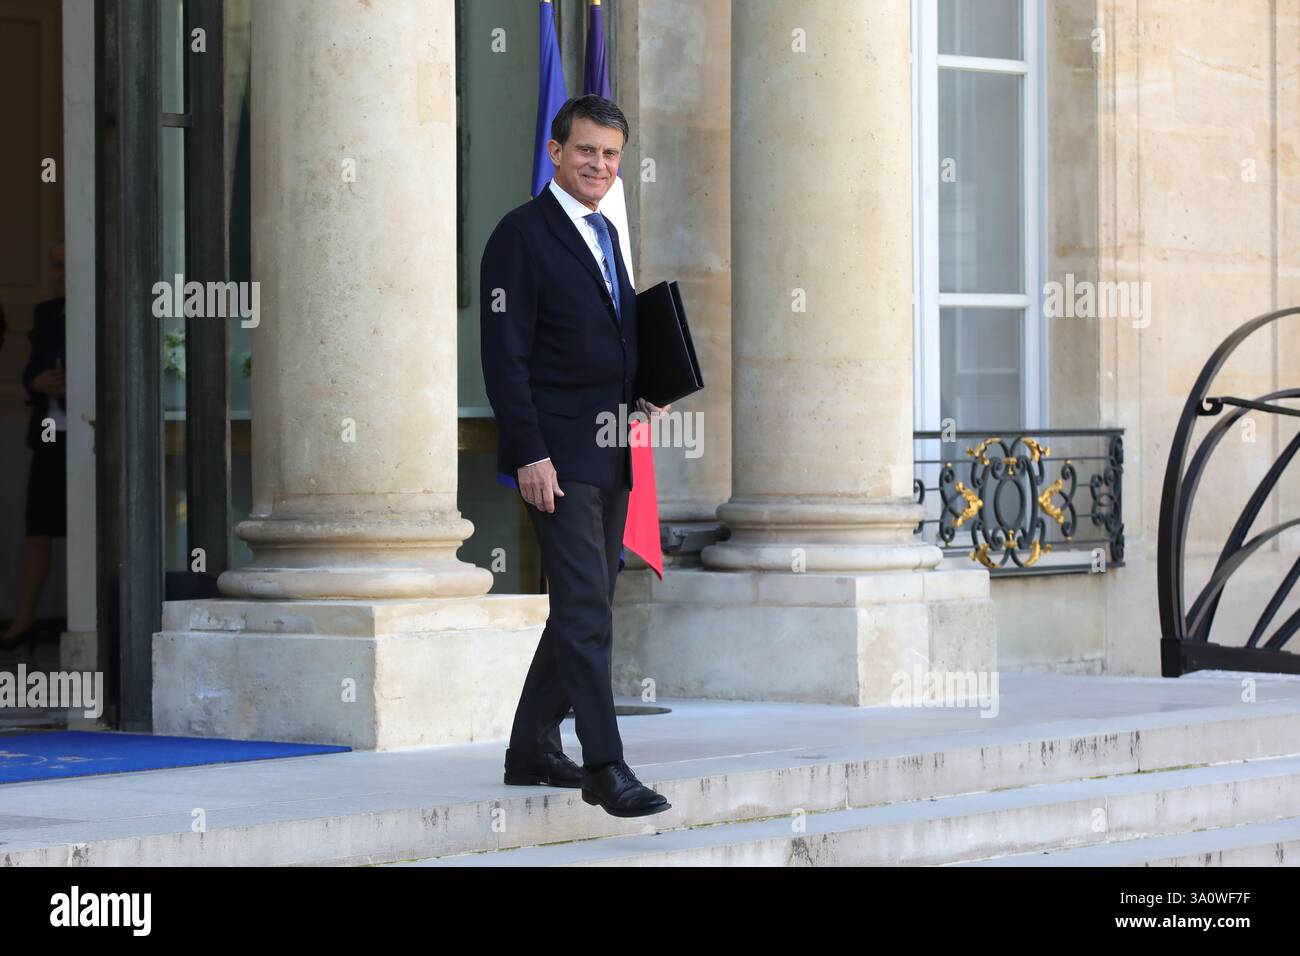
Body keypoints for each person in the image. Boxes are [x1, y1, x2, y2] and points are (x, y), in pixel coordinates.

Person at [480, 95, 671, 818]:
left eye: (611, 154)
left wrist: (648, 387)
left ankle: (530, 748)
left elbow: (614, 335)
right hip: (555, 456)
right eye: (586, 150)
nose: (599, 164)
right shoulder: (519, 236)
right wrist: (528, 451)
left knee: (585, 605)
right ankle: (605, 765)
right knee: (587, 607)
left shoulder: (605, 235)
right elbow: (504, 357)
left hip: (610, 445)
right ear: (556, 153)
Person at [3, 241, 67, 654]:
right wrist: (37, 383)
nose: (57, 274)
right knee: (38, 528)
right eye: (53, 264)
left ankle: (95, 624)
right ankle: (22, 621)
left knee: (92, 530)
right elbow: (30, 370)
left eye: (63, 265)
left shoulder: (103, 303)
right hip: (49, 431)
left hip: (91, 432)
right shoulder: (46, 312)